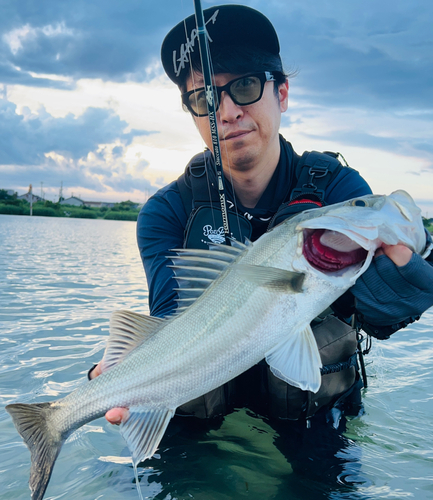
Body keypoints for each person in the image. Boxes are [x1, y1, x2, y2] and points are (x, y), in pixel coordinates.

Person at [90, 4, 433, 432]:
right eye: (204, 97)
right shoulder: (166, 212)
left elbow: (375, 319)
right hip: (201, 425)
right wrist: (109, 376)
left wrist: (403, 286)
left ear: (282, 93)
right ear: (192, 113)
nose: (228, 111)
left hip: (311, 423)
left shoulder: (340, 192)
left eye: (246, 85)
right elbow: (167, 319)